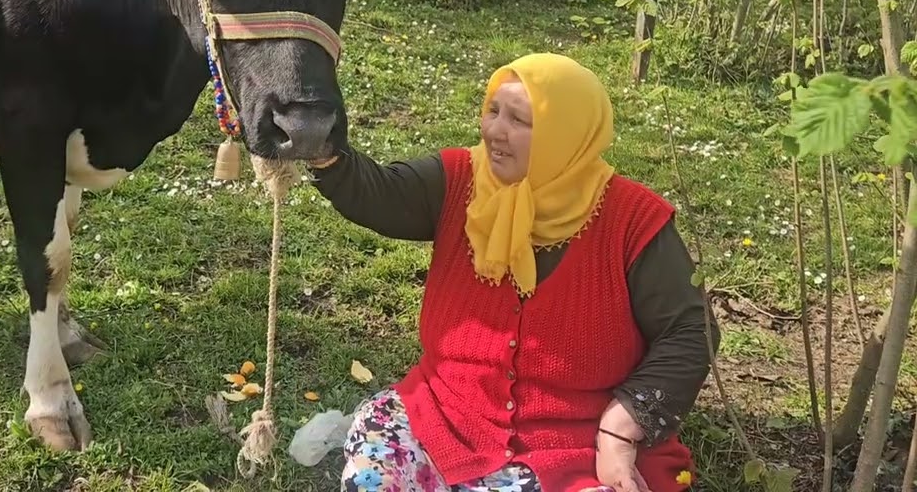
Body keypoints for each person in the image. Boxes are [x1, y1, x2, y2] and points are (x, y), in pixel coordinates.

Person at [306, 52, 719, 492]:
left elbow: (691, 330)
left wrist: (621, 428)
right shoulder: (461, 180)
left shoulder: (633, 221)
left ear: (566, 135)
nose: (494, 133)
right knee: (376, 476)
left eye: (520, 120)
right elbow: (379, 194)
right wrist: (321, 148)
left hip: (577, 443)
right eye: (493, 111)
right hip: (446, 418)